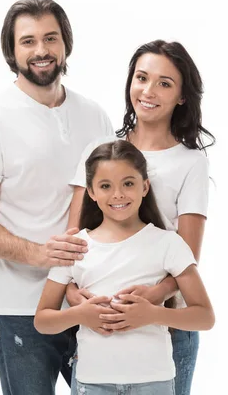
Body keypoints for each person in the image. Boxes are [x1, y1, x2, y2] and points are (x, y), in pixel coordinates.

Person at [0, 0, 114, 394]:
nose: (41, 50)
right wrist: (40, 254)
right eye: (27, 41)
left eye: (50, 38)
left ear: (65, 45)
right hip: (21, 307)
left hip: (89, 300)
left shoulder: (94, 115)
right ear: (12, 51)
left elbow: (111, 204)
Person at [65, 40, 216, 395]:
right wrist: (73, 294)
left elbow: (188, 255)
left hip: (168, 327)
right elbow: (73, 238)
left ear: (182, 96)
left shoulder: (190, 162)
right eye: (142, 78)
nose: (148, 91)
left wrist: (153, 300)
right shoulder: (99, 150)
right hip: (101, 326)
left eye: (165, 83)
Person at [34, 140, 215, 395]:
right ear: (92, 192)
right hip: (92, 383)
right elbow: (43, 320)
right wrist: (79, 315)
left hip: (154, 383)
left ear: (145, 186)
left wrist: (151, 314)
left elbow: (205, 317)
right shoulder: (76, 248)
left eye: (128, 183)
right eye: (106, 186)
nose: (118, 194)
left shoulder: (167, 244)